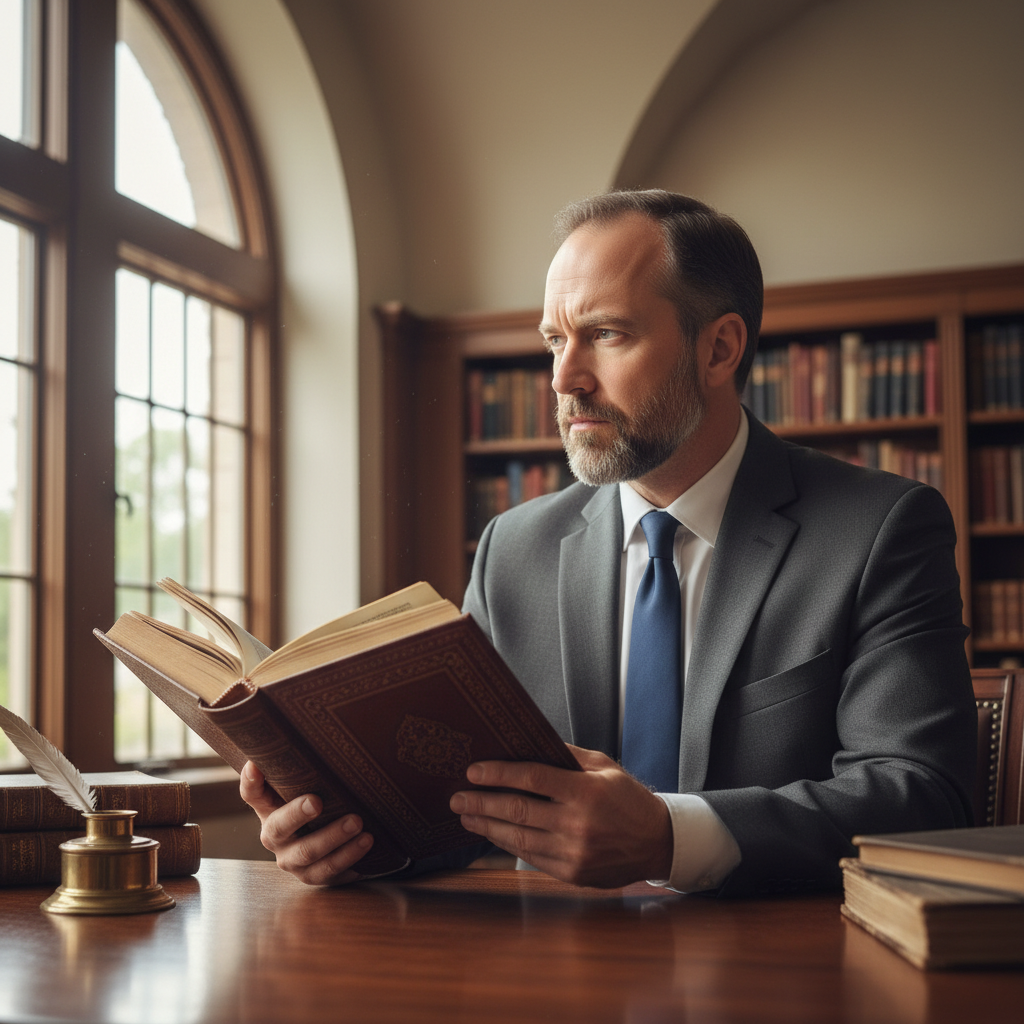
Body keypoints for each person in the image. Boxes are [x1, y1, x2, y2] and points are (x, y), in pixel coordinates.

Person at [241, 189, 977, 895]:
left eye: (606, 334)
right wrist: (355, 841)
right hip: (551, 976)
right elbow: (466, 812)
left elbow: (924, 798)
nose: (564, 378)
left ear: (719, 349)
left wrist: (669, 838)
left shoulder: (880, 529)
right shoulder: (513, 550)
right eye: (555, 340)